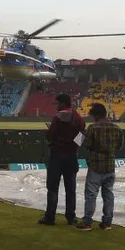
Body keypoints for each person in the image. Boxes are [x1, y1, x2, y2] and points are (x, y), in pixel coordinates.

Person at [76, 103, 123, 231]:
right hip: (110, 166)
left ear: (96, 115)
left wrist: (80, 134)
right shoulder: (117, 129)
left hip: (96, 166)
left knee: (91, 195)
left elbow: (84, 144)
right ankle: (107, 222)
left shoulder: (93, 128)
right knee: (108, 194)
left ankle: (87, 222)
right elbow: (119, 146)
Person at [39, 93, 84, 226]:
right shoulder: (79, 118)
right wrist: (73, 148)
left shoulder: (57, 117)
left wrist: (47, 133)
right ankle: (71, 217)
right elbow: (82, 137)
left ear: (63, 103)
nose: (57, 106)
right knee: (70, 189)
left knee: (53, 188)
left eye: (57, 103)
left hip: (57, 155)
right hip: (71, 156)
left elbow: (51, 136)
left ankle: (50, 217)